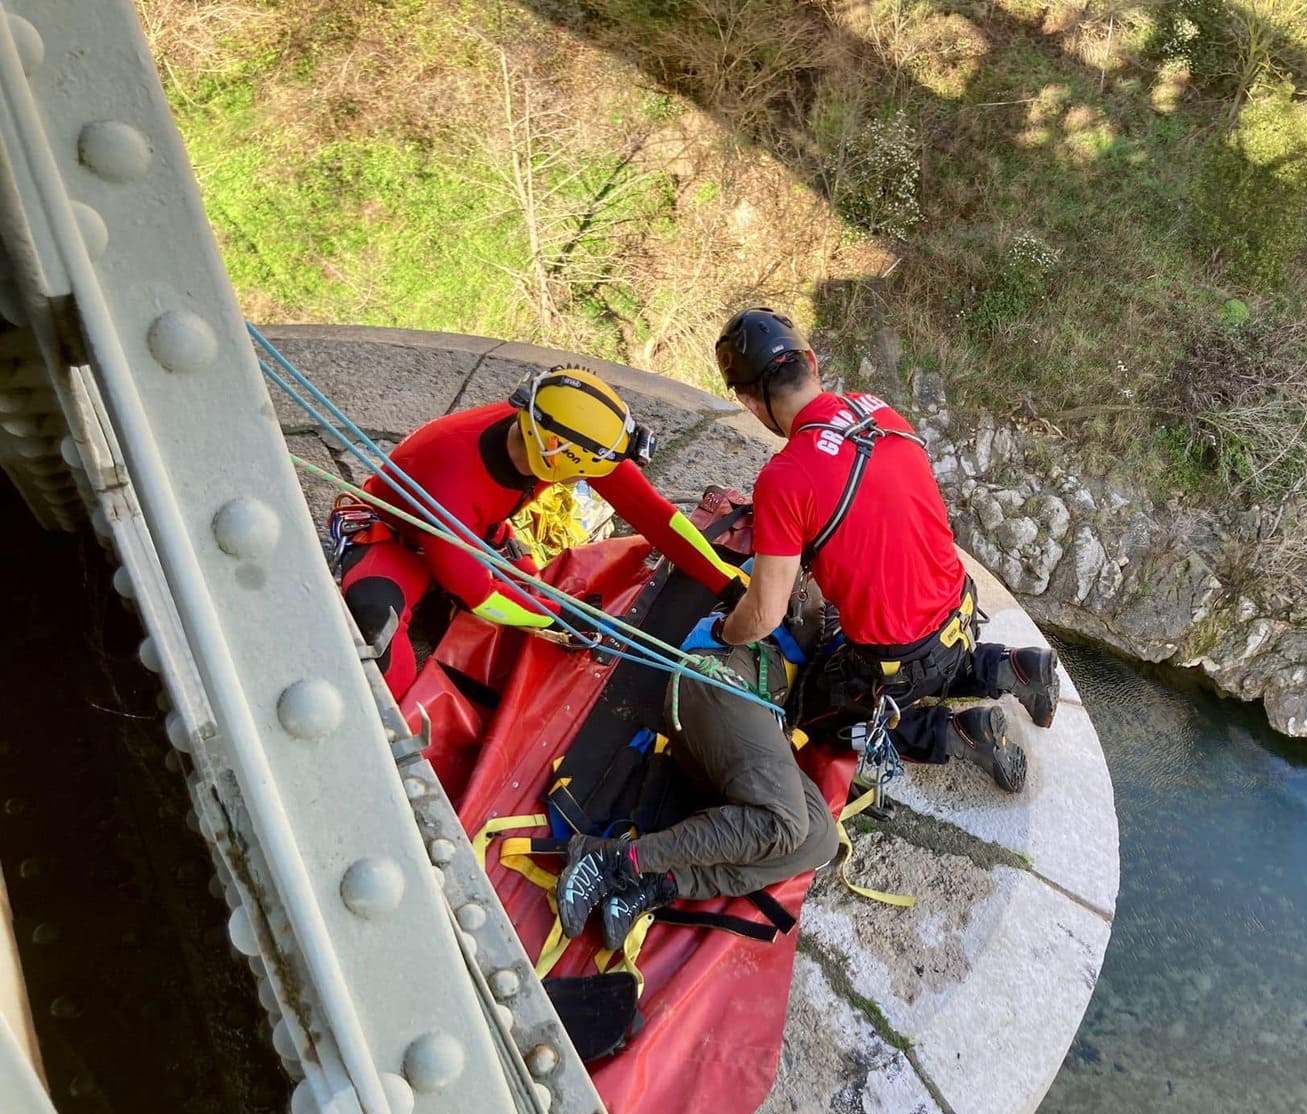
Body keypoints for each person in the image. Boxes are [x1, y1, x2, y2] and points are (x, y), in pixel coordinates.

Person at [698, 306, 1060, 792]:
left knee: (816, 710)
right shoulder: (877, 409)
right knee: (926, 655)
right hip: (960, 607)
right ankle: (1017, 666)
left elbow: (764, 614)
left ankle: (959, 736)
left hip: (904, 656)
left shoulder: (785, 478)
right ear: (811, 361)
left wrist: (723, 630)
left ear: (748, 401)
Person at [332, 366, 745, 697]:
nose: (593, 478)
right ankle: (401, 750)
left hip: (478, 535)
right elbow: (479, 594)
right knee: (375, 622)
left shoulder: (554, 435)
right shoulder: (450, 477)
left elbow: (657, 517)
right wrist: (559, 619)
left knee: (536, 605)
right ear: (552, 454)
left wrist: (728, 585)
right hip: (393, 537)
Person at [556, 623, 838, 950]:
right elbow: (758, 610)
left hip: (751, 730)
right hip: (718, 674)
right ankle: (615, 859)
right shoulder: (811, 579)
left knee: (821, 839)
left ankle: (660, 881)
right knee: (785, 822)